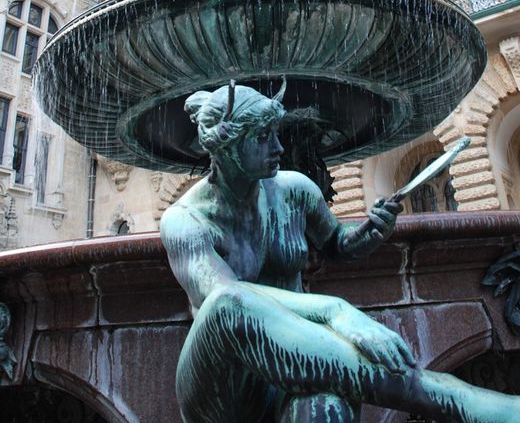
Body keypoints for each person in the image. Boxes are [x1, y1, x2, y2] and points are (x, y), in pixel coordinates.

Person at [160, 82, 520, 423]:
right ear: (227, 146)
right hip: (225, 389)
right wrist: (336, 310)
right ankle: (452, 400)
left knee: (324, 406)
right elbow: (223, 297)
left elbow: (337, 244)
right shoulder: (186, 220)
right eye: (263, 137)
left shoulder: (294, 190)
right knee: (228, 304)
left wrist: (369, 232)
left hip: (301, 360)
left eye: (277, 134)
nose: (279, 148)